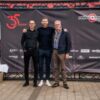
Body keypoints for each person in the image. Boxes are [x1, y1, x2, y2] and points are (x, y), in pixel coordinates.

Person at [52, 20, 71, 89]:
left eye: (58, 24)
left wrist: (67, 53)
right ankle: (56, 82)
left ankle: (65, 83)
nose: (57, 25)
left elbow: (69, 43)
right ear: (54, 25)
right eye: (55, 24)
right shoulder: (53, 32)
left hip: (62, 53)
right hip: (54, 51)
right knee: (56, 68)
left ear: (60, 24)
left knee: (63, 68)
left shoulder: (65, 33)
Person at [21, 20, 38, 87]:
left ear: (35, 24)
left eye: (32, 23)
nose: (31, 24)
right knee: (26, 67)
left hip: (35, 51)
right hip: (27, 51)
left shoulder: (37, 32)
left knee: (36, 67)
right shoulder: (25, 32)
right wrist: (24, 49)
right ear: (29, 24)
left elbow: (40, 41)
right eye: (30, 23)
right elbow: (22, 42)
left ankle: (35, 82)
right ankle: (27, 81)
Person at [38, 18, 54, 87]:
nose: (44, 22)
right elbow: (32, 32)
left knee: (48, 66)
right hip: (41, 50)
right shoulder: (39, 29)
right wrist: (25, 30)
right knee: (40, 66)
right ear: (41, 22)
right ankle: (41, 80)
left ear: (47, 22)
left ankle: (47, 80)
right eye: (43, 21)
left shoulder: (51, 29)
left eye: (46, 21)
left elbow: (58, 29)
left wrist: (64, 30)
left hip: (48, 50)